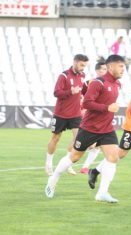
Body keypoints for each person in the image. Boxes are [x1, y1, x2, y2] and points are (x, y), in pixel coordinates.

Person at [45, 55, 125, 203]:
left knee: (113, 157)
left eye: (123, 66)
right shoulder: (98, 83)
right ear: (111, 67)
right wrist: (107, 107)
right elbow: (87, 103)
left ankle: (102, 193)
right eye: (120, 66)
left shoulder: (117, 84)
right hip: (89, 128)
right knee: (74, 157)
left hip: (107, 128)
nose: (123, 69)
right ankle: (53, 178)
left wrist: (109, 108)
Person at [45, 54, 89, 176]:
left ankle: (66, 163)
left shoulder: (82, 75)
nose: (83, 67)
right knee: (55, 138)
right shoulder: (64, 75)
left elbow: (82, 91)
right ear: (74, 62)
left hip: (75, 114)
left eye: (85, 65)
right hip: (61, 114)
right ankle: (48, 164)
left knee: (77, 139)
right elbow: (56, 93)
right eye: (81, 65)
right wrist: (70, 91)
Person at [79, 61, 108, 174]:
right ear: (97, 71)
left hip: (100, 118)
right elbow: (80, 97)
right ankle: (68, 161)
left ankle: (85, 167)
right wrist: (82, 109)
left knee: (96, 146)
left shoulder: (109, 84)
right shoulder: (88, 83)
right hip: (88, 117)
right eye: (102, 69)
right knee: (86, 144)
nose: (104, 71)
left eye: (105, 69)